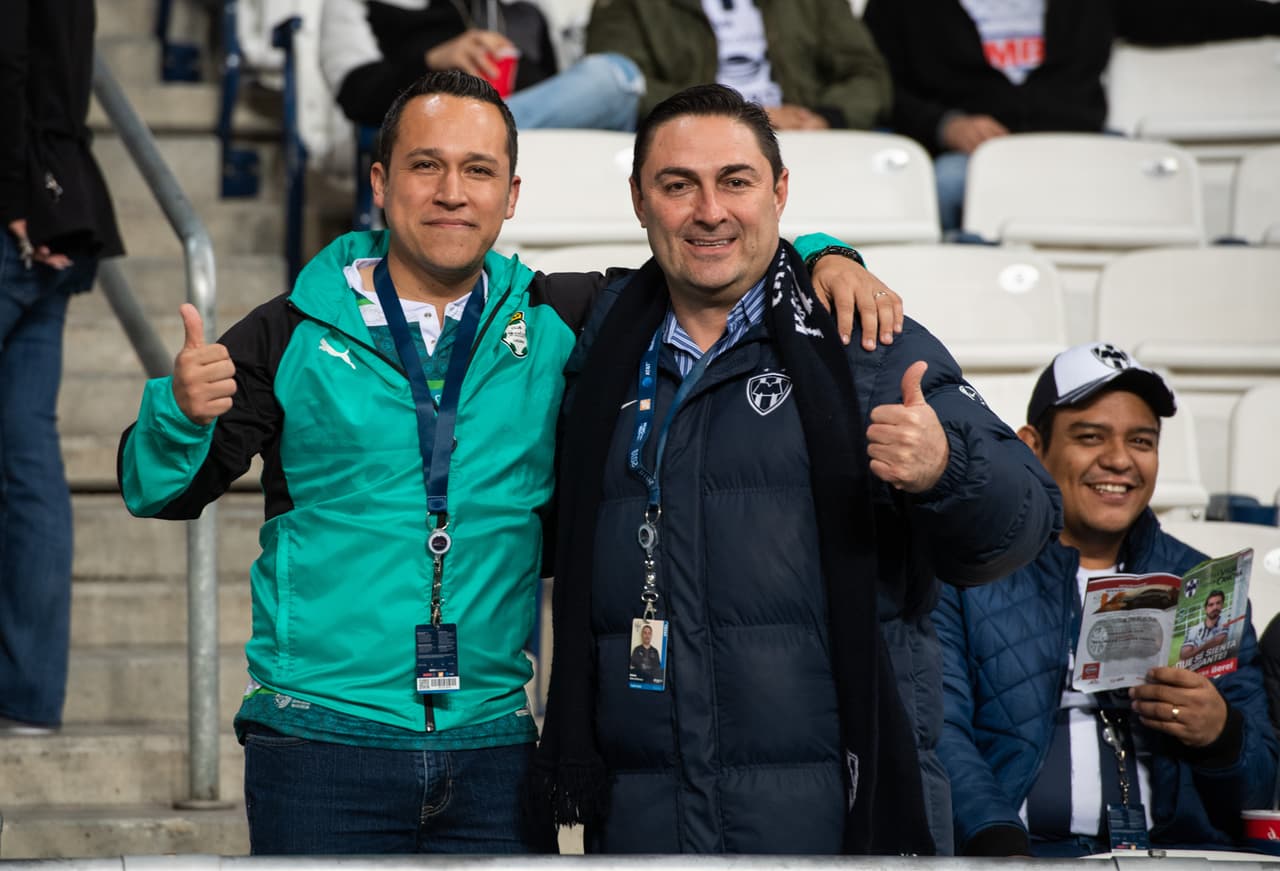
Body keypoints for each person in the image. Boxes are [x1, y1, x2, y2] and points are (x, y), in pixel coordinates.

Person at [116, 70, 898, 854]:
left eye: (478, 170)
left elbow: (709, 254)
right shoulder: (291, 331)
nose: (453, 191)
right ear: (381, 183)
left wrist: (824, 256)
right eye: (426, 166)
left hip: (494, 747)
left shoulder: (563, 315)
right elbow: (159, 491)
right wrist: (179, 413)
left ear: (511, 193)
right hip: (320, 741)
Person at [533, 83, 1061, 855]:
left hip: (840, 826)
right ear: (640, 201)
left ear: (780, 192)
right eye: (678, 185)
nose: (709, 210)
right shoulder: (596, 341)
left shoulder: (867, 340)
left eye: (736, 182)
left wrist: (947, 467)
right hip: (651, 826)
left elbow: (1024, 519)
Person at [934, 341, 1278, 857]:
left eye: (1142, 440)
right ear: (1032, 446)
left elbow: (1263, 788)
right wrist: (999, 850)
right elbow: (942, 736)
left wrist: (1223, 735)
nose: (1119, 460)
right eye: (1090, 437)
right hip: (1025, 856)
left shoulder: (1205, 583)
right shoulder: (967, 573)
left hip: (1178, 858)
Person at [862, 0, 1280, 232]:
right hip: (972, 160)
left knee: (1157, 174)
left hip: (1086, 145)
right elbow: (879, 85)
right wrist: (945, 124)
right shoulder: (901, 7)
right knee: (944, 184)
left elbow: (1185, 14)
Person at [0, 0, 124, 735]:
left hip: (20, 206)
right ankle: (29, 697)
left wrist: (14, 193)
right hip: (59, 201)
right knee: (27, 453)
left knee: (27, 456)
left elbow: (9, 59)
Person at [321, 0, 644, 131]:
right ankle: (465, 138)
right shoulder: (363, 5)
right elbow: (356, 93)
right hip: (424, 124)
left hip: (533, 146)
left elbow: (557, 96)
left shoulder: (521, 12)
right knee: (614, 79)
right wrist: (432, 61)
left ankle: (476, 136)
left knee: (609, 82)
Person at [585, 0, 891, 131]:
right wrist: (729, 112)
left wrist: (823, 118)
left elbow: (868, 75)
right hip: (688, 135)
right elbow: (625, 86)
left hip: (801, 131)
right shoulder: (630, 4)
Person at [1180, 590, 1230, 665]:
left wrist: (1194, 650)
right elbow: (1184, 656)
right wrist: (1207, 645)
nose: (1215, 607)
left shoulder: (1227, 621)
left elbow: (1218, 641)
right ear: (1205, 609)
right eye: (1211, 605)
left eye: (1218, 603)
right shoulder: (1194, 630)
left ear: (1222, 605)